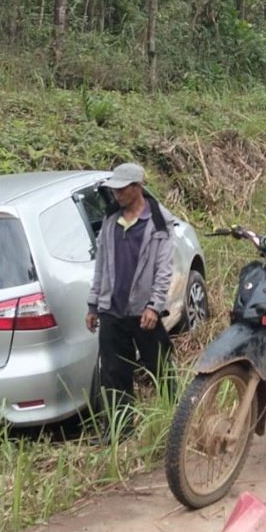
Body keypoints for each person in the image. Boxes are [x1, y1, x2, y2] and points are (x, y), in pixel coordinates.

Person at [85, 163, 174, 438]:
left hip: (144, 312)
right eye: (114, 190)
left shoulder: (158, 222)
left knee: (161, 367)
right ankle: (119, 431)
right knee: (113, 373)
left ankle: (175, 423)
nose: (116, 195)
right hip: (112, 310)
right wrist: (93, 304)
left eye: (122, 189)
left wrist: (154, 306)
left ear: (138, 187)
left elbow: (164, 269)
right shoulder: (111, 222)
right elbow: (101, 266)